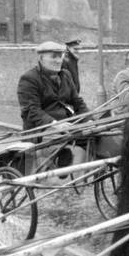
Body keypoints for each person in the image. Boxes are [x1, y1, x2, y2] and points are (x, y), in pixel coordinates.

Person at [17, 41, 90, 169]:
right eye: (53, 56)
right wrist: (55, 124)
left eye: (60, 56)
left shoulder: (65, 75)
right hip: (41, 129)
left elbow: (77, 102)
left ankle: (80, 169)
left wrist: (89, 120)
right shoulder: (29, 79)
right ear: (41, 58)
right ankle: (60, 169)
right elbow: (32, 110)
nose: (58, 60)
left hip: (67, 125)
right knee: (61, 142)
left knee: (92, 136)